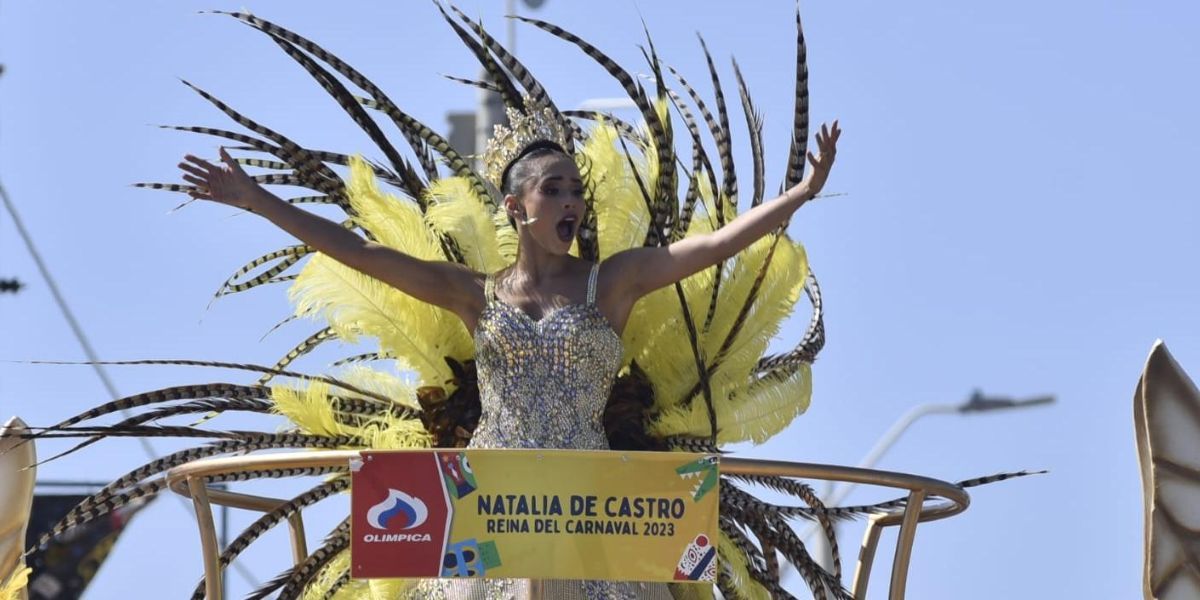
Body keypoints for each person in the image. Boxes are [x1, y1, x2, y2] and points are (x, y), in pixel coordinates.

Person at [178, 103, 840, 599]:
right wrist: (257, 200)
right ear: (516, 207)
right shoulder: (473, 294)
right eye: (554, 189)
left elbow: (713, 246)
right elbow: (363, 255)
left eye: (576, 190)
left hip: (590, 509)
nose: (572, 202)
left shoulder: (611, 282)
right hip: (489, 506)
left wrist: (802, 195)